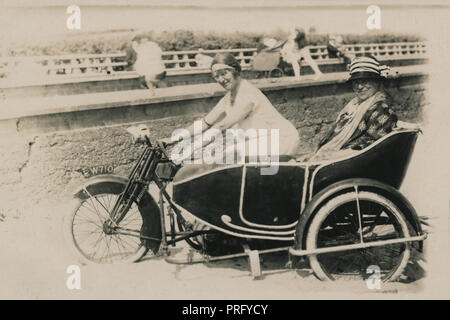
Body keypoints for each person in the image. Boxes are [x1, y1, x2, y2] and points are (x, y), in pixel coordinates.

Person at [161, 53, 301, 162]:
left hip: (282, 139)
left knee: (228, 155)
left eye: (224, 73)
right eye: (216, 76)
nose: (221, 79)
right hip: (261, 141)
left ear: (235, 71)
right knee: (224, 156)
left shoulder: (247, 92)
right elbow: (205, 123)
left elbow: (222, 125)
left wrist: (192, 147)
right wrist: (173, 139)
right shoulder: (229, 97)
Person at [310, 55, 398, 161]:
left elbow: (370, 146)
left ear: (377, 82)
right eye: (356, 82)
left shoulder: (382, 110)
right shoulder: (352, 108)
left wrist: (330, 156)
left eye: (364, 81)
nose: (359, 87)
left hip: (349, 162)